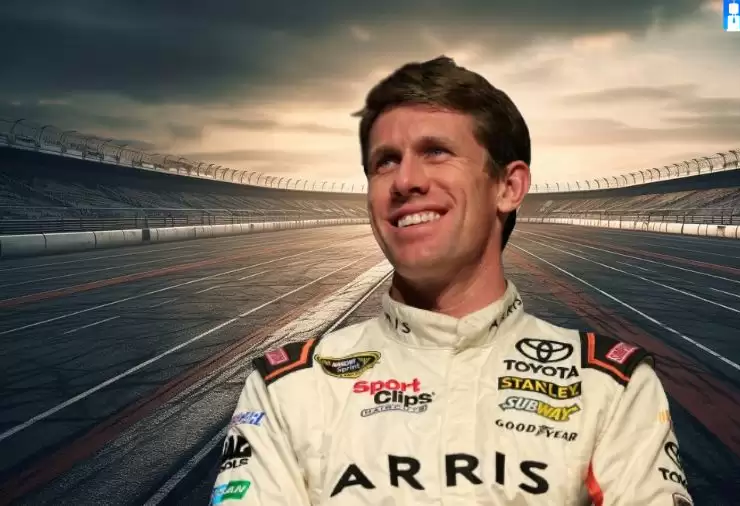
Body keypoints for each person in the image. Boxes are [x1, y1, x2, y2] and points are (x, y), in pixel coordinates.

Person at [211, 56, 693, 506]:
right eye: (385, 161)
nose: (405, 181)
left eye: (436, 151)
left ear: (508, 187)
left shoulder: (610, 387)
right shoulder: (288, 386)